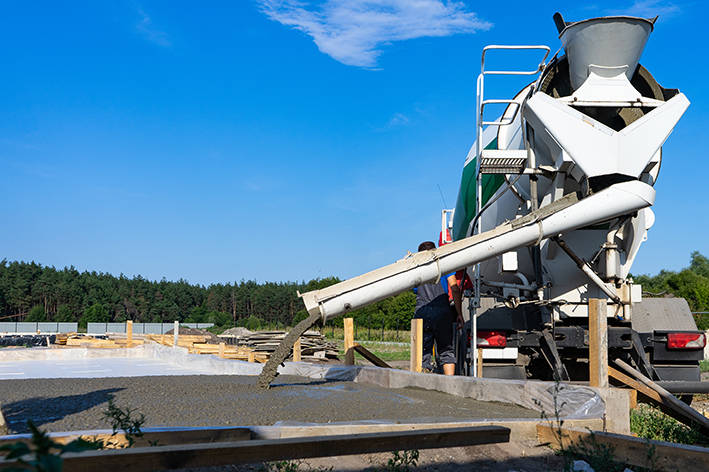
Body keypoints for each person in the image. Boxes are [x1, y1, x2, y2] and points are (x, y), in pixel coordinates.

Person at [414, 241, 464, 375]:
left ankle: (420, 386)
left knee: (421, 351)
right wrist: (459, 313)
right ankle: (449, 385)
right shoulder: (443, 265)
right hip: (442, 311)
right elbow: (455, 289)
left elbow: (415, 289)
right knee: (446, 350)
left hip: (422, 310)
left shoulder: (416, 269)